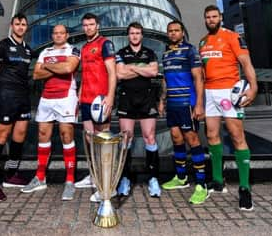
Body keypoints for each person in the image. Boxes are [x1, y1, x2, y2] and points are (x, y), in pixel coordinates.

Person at [199, 5, 258, 211]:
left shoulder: (232, 37)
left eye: (214, 16)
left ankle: (244, 188)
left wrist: (253, 87)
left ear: (220, 17)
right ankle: (217, 181)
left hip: (228, 92)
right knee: (212, 135)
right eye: (208, 17)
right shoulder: (203, 42)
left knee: (236, 136)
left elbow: (246, 63)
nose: (211, 19)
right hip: (209, 93)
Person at [21, 24, 81, 200]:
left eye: (62, 33)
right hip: (46, 97)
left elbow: (68, 69)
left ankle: (69, 180)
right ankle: (40, 177)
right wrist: (57, 67)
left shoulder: (74, 50)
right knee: (42, 134)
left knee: (66, 135)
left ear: (67, 35)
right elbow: (36, 75)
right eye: (55, 33)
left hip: (66, 97)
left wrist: (48, 67)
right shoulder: (45, 51)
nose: (58, 35)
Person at [0, 13, 34, 202]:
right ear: (12, 25)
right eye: (17, 24)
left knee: (19, 135)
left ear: (26, 27)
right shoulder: (1, 46)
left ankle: (11, 175)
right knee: (1, 137)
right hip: (5, 95)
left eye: (23, 24)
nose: (20, 27)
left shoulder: (28, 50)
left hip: (23, 97)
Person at [159, 20, 209, 205]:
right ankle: (181, 178)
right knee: (176, 138)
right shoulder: (165, 53)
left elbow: (199, 78)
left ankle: (202, 185)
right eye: (170, 31)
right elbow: (165, 79)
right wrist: (162, 100)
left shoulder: (190, 50)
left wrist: (199, 105)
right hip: (172, 103)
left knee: (192, 139)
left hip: (187, 103)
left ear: (182, 32)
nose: (173, 33)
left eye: (176, 30)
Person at [115, 22, 161, 198]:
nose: (135, 36)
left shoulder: (149, 53)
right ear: (128, 35)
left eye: (138, 33)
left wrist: (131, 67)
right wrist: (142, 68)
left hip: (146, 99)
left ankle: (153, 179)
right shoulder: (121, 53)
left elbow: (154, 72)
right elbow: (119, 74)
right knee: (126, 138)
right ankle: (125, 178)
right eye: (132, 33)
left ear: (142, 35)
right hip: (127, 98)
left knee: (150, 137)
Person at [73, 13, 117, 198]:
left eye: (91, 24)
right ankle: (93, 176)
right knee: (90, 138)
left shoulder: (105, 44)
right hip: (86, 99)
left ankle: (107, 185)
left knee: (103, 139)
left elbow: (113, 73)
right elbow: (85, 74)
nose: (88, 28)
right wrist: (79, 96)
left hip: (101, 100)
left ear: (97, 25)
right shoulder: (84, 48)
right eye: (85, 25)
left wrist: (110, 97)